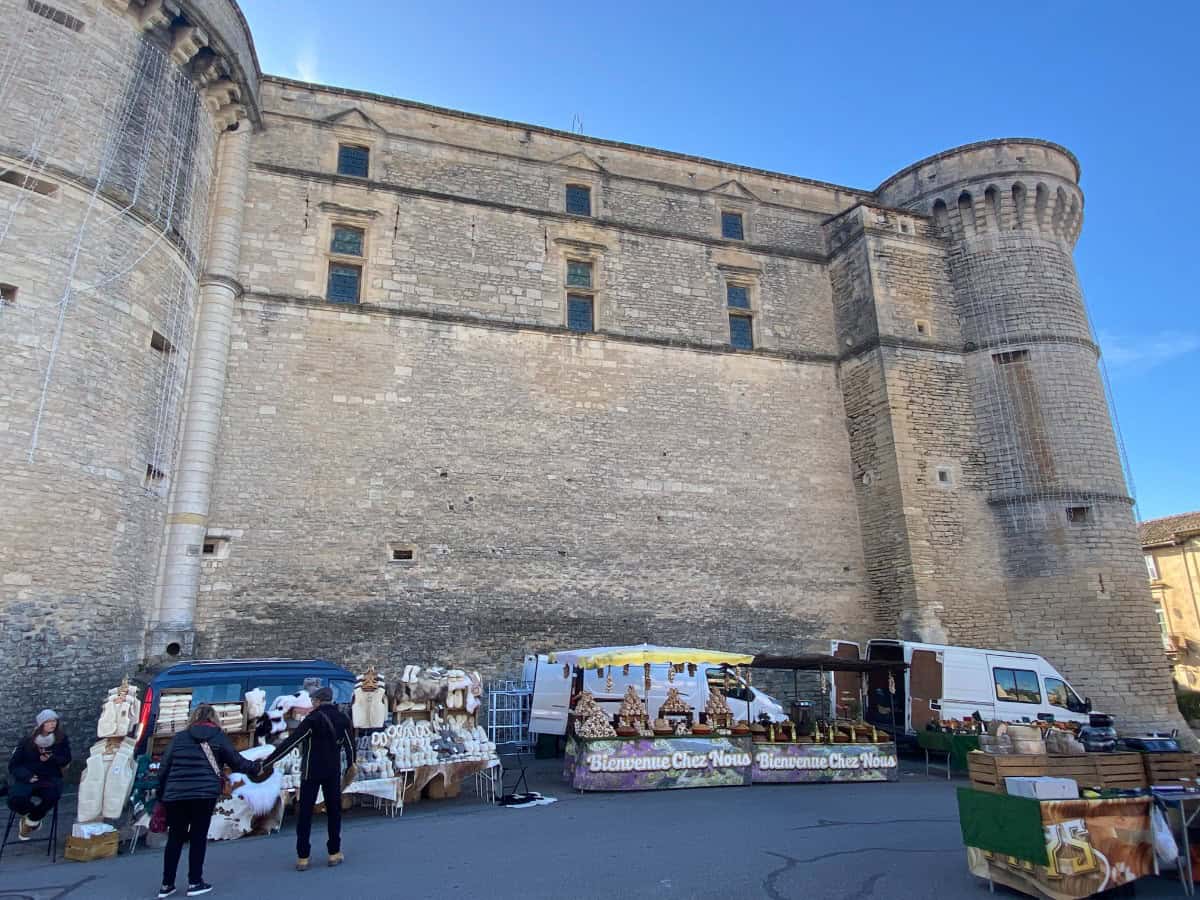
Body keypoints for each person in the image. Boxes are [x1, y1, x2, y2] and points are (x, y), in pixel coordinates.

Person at [155, 704, 261, 899]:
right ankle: (195, 882)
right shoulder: (218, 737)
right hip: (204, 794)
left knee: (175, 838)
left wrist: (161, 794)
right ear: (214, 718)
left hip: (175, 794)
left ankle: (166, 884)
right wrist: (255, 768)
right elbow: (236, 761)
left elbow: (164, 767)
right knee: (198, 837)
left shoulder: (179, 738)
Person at [261, 686, 355, 871]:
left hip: (311, 771)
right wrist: (350, 767)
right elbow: (350, 746)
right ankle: (334, 852)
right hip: (332, 771)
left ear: (317, 701)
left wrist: (267, 762)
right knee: (334, 812)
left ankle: (303, 856)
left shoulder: (312, 720)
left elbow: (292, 742)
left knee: (305, 813)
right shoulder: (342, 719)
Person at [7, 709, 71, 840]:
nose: (52, 724)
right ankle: (32, 816)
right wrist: (27, 776)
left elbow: (66, 759)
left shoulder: (61, 739)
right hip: (28, 778)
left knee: (52, 796)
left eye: (54, 721)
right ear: (41, 724)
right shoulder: (27, 741)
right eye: (48, 722)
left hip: (49, 777)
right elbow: (14, 765)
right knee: (15, 799)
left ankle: (31, 820)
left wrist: (52, 758)